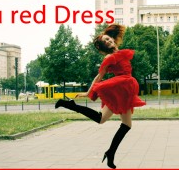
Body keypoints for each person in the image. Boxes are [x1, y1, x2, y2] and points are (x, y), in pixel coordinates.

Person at [55, 24, 146, 169]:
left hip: (123, 89)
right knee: (125, 124)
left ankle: (70, 105)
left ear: (113, 38)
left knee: (103, 119)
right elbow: (99, 76)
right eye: (105, 42)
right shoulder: (109, 57)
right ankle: (110, 153)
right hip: (120, 87)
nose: (108, 41)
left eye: (108, 39)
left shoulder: (120, 53)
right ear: (104, 46)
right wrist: (88, 92)